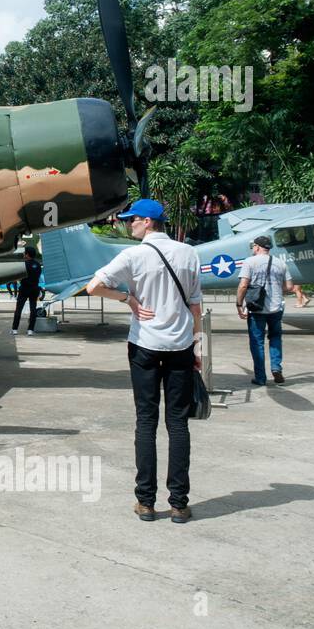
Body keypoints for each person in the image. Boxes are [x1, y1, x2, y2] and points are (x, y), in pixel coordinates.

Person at [84, 199, 203, 525]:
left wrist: (128, 299)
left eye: (132, 219)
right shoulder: (188, 253)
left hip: (144, 347)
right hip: (180, 347)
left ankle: (146, 502)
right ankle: (179, 504)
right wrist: (198, 350)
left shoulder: (132, 255)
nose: (128, 224)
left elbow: (93, 286)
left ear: (148, 222)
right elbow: (195, 309)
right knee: (178, 424)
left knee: (146, 422)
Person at [236, 235, 294, 385]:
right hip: (276, 308)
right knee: (275, 338)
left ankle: (261, 378)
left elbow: (243, 285)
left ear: (257, 247)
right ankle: (276, 368)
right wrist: (275, 289)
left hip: (257, 309)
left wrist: (238, 304)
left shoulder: (250, 262)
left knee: (257, 342)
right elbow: (289, 287)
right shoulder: (281, 263)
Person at [11, 246, 42, 336]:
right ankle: (30, 330)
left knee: (19, 309)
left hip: (24, 288)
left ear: (27, 254)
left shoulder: (24, 264)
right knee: (33, 309)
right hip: (34, 288)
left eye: (25, 253)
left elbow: (19, 277)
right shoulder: (38, 264)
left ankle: (15, 329)